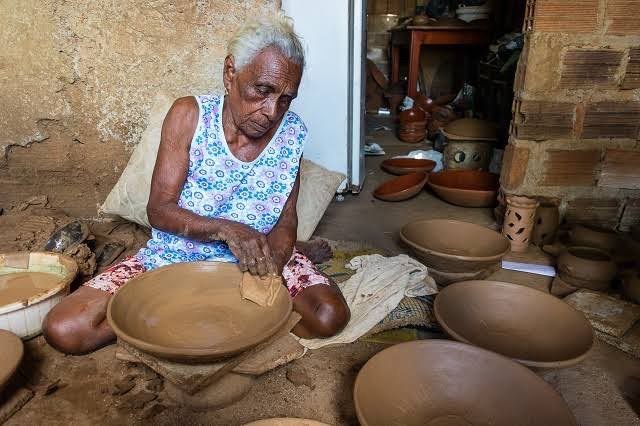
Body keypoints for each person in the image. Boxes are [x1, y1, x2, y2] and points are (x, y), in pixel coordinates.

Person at [42, 14, 350, 355]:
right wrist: (227, 230)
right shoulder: (189, 116)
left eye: (286, 99)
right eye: (262, 91)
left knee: (328, 316)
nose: (272, 111)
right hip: (177, 256)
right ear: (230, 73)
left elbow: (286, 218)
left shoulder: (292, 132)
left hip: (258, 256)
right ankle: (175, 309)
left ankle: (296, 255)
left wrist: (272, 269)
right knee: (67, 329)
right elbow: (159, 210)